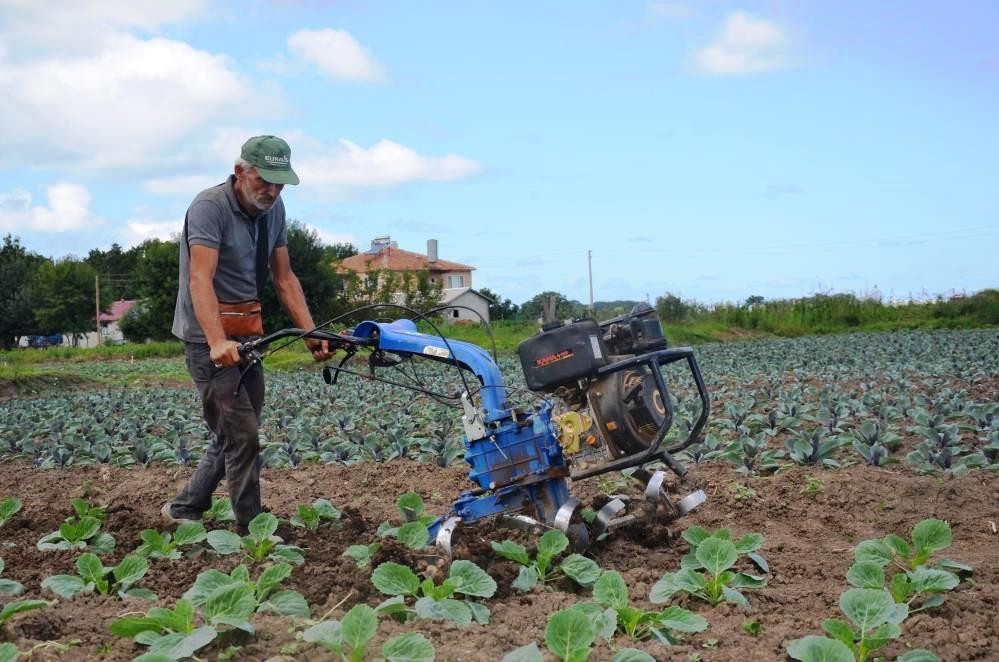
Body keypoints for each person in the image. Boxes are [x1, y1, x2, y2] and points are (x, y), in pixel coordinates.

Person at [164, 135, 332, 534]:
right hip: (209, 338)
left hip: (248, 334)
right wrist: (217, 341)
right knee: (243, 435)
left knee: (234, 431)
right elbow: (200, 279)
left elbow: (284, 277)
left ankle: (185, 508)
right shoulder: (209, 207)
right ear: (240, 172)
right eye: (264, 182)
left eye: (280, 184)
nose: (272, 192)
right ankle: (252, 530)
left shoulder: (273, 211)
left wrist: (310, 331)